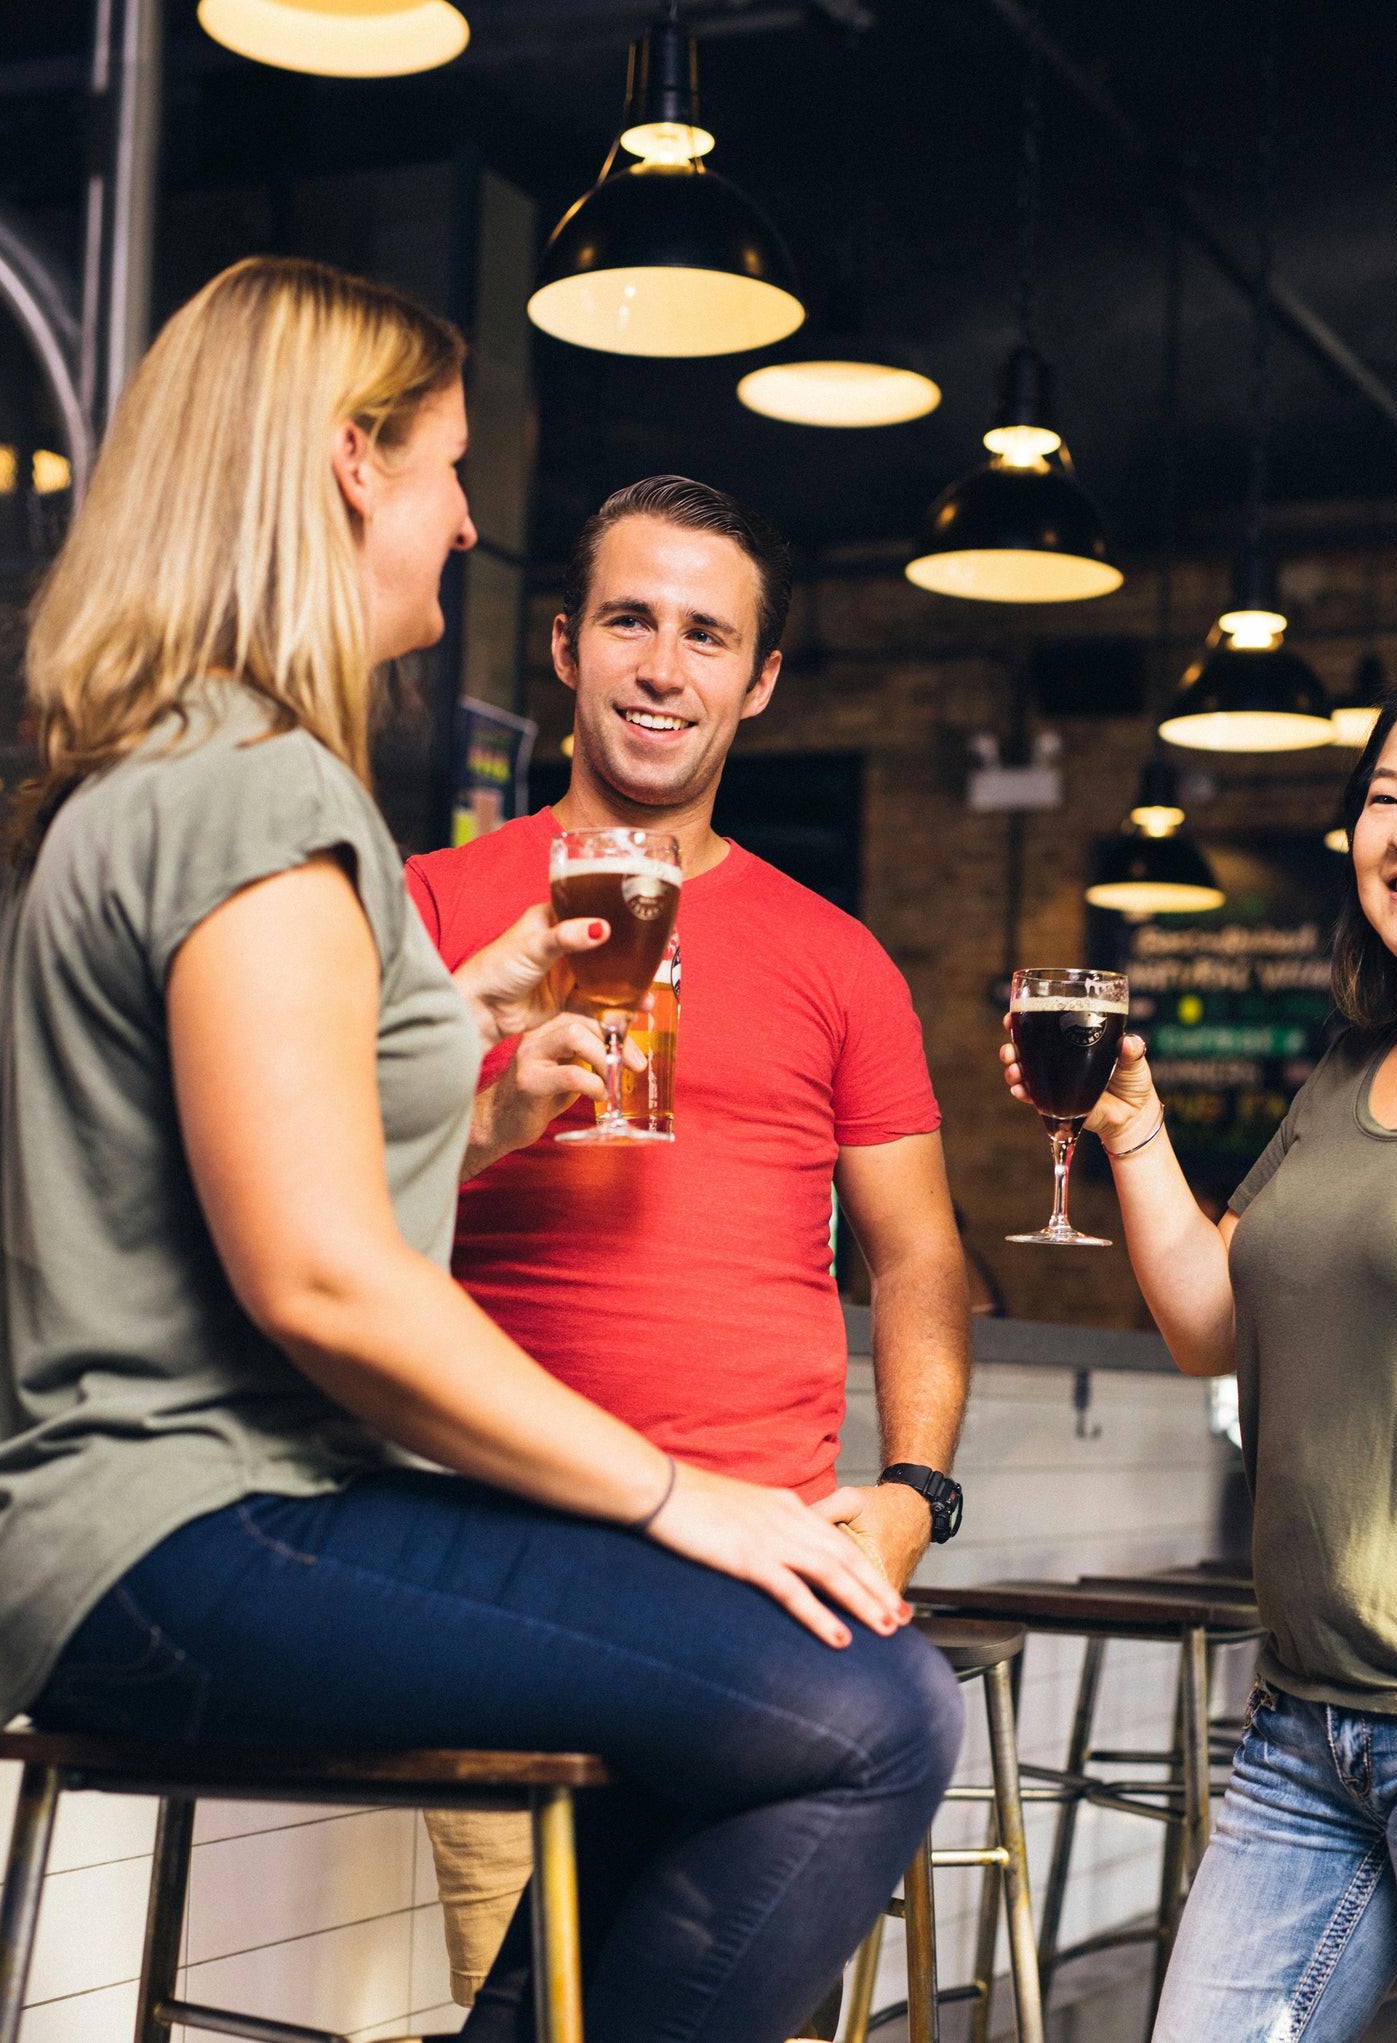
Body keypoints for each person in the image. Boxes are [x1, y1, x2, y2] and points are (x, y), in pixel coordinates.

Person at [0, 255, 962, 2043]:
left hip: (135, 1534)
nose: (471, 525)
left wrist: (473, 1078)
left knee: (748, 1704)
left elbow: (261, 1174)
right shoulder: (263, 786)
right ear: (352, 466)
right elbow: (324, 1281)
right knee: (878, 1711)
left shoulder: (189, 760)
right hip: (182, 1532)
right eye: (450, 470)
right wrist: (682, 1498)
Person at [404, 473, 972, 2019]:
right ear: (566, 645)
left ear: (760, 681)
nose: (665, 667)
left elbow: (918, 1254)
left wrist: (912, 1496)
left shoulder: (836, 957)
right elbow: (319, 1215)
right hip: (497, 1541)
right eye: (633, 622)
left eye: (708, 636)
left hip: (770, 1558)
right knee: (531, 1989)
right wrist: (495, 1106)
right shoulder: (430, 908)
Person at [1003, 646, 1397, 2041]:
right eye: (1385, 796)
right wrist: (1133, 1130)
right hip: (1303, 1729)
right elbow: (1215, 1326)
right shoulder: (1349, 1069)